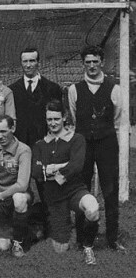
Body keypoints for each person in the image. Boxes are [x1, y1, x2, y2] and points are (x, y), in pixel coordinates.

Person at [68, 45, 125, 251]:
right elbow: (75, 120)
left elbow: (117, 120)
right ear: (83, 63)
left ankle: (112, 238)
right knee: (81, 188)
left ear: (102, 62)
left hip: (107, 143)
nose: (92, 66)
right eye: (88, 62)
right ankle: (83, 238)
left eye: (95, 61)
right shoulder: (74, 90)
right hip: (83, 144)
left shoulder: (114, 88)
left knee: (110, 190)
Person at [32, 100, 100, 265]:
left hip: (75, 191)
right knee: (60, 249)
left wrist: (51, 172)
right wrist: (62, 166)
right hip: (54, 198)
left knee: (93, 209)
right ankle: (57, 227)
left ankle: (88, 247)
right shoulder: (40, 144)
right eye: (49, 119)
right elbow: (35, 172)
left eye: (56, 119)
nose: (53, 123)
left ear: (64, 118)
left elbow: (76, 166)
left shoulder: (76, 139)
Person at [9, 48, 62, 240]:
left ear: (38, 62)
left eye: (32, 61)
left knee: (46, 187)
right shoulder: (12, 90)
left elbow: (57, 120)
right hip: (21, 148)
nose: (29, 65)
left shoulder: (52, 88)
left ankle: (51, 227)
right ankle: (21, 228)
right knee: (20, 187)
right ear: (21, 63)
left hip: (43, 147)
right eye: (25, 61)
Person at [0, 115, 32, 257]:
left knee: (19, 198)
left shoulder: (23, 150)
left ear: (13, 128)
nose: (0, 136)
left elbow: (22, 184)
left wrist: (0, 195)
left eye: (4, 131)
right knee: (2, 248)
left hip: (16, 196)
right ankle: (19, 233)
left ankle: (18, 242)